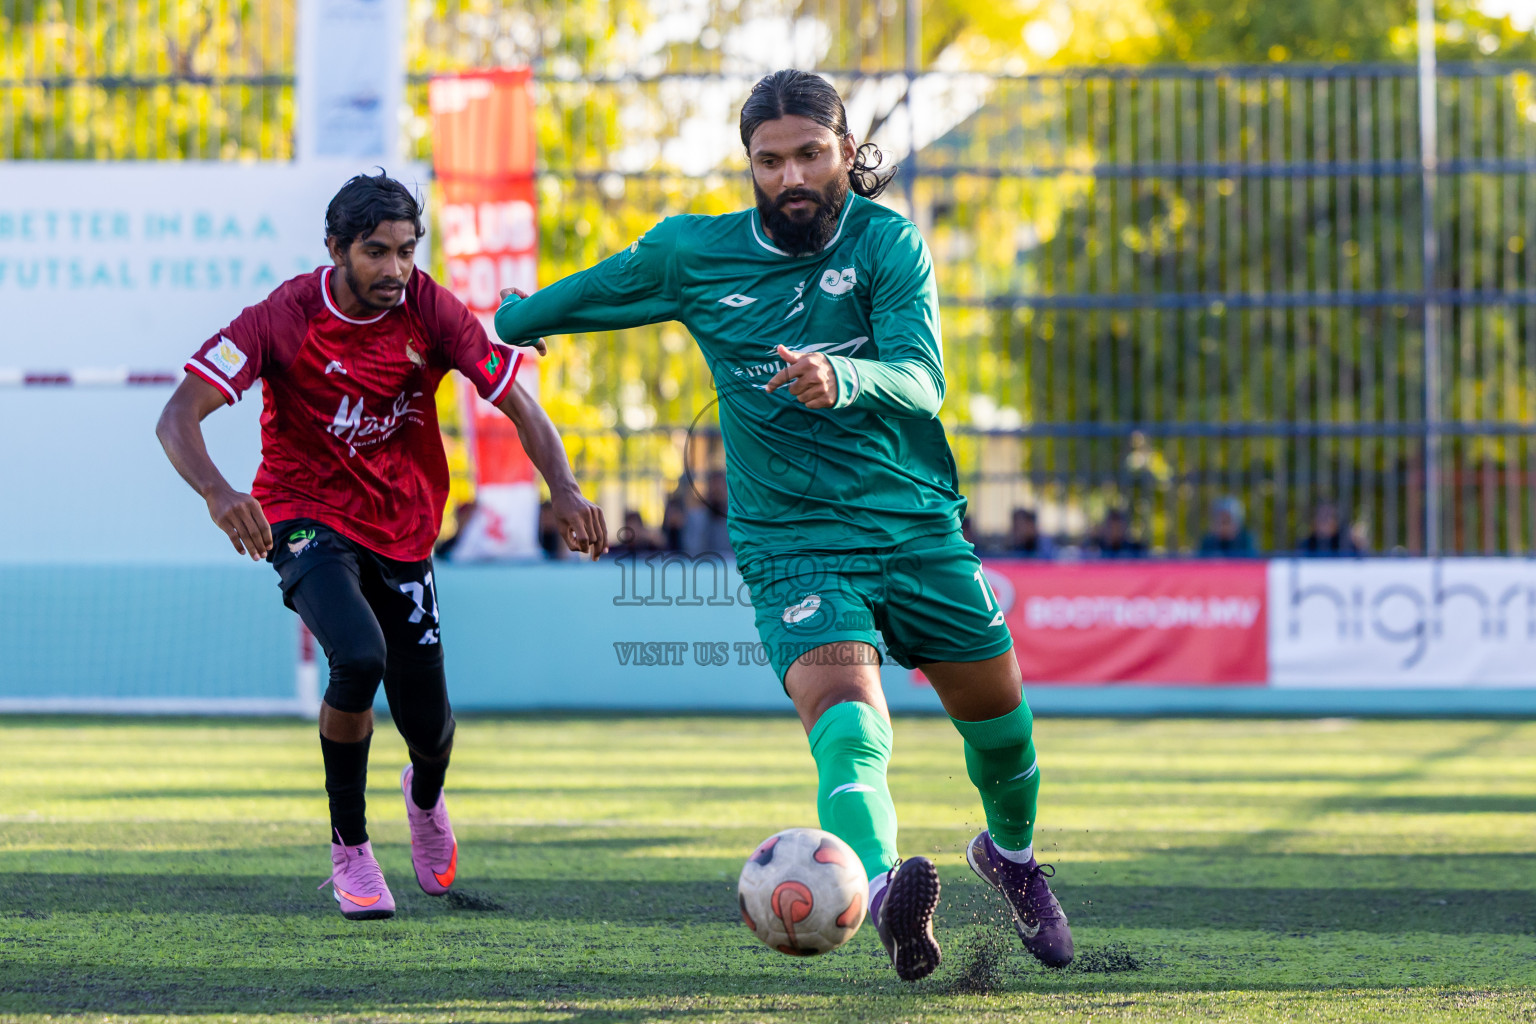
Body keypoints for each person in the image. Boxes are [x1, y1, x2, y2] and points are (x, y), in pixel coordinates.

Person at [491, 69, 1072, 980]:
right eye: (771, 161)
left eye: (810, 155)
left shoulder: (889, 245)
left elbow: (925, 380)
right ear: (749, 165)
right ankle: (881, 892)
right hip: (795, 546)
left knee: (1002, 731)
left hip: (913, 526)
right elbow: (563, 303)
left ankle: (1011, 858)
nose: (791, 177)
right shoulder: (695, 254)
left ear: (845, 151)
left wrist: (846, 378)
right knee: (849, 727)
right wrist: (509, 325)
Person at [155, 172, 607, 922]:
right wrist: (219, 492)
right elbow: (178, 416)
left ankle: (424, 799)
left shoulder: (430, 307)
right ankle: (351, 847)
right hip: (303, 515)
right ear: (335, 249)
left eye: (406, 251)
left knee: (430, 730)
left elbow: (518, 402)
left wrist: (562, 487)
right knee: (358, 656)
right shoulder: (283, 317)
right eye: (376, 253)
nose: (396, 269)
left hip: (403, 528)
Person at [682, 468, 734, 560]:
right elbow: (691, 550)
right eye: (713, 487)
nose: (717, 491)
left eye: (721, 487)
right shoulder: (695, 518)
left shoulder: (736, 521)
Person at [1297, 500, 1362, 556]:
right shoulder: (1304, 546)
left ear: (1336, 521)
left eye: (1328, 515)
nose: (1324, 520)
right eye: (1320, 515)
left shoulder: (1346, 546)